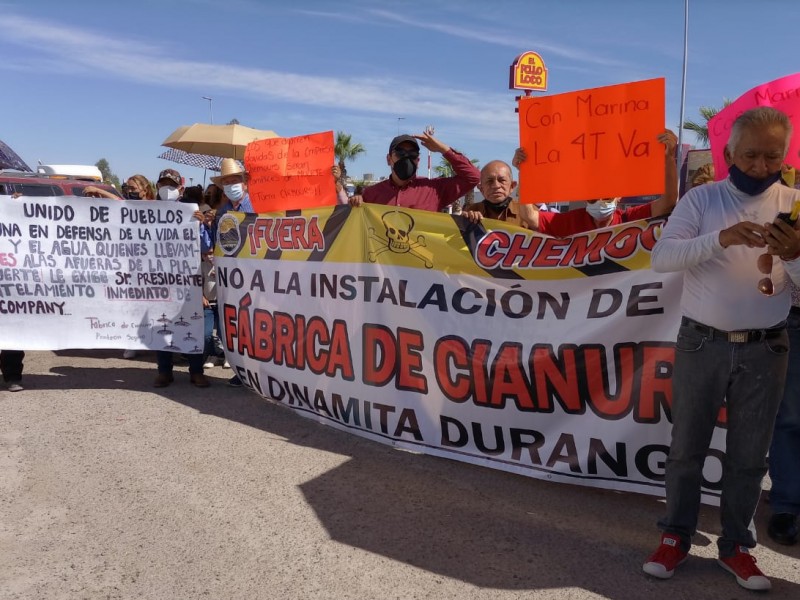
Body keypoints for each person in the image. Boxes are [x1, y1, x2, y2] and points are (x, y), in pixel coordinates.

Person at [643, 107, 800, 591]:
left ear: (785, 154)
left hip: (766, 348)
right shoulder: (701, 200)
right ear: (729, 152)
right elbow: (661, 259)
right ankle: (675, 537)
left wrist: (795, 255)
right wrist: (720, 239)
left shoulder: (795, 203)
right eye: (750, 154)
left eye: (772, 156)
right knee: (686, 448)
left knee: (750, 456)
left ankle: (736, 548)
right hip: (702, 341)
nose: (760, 166)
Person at [513, 129, 678, 236]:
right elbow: (529, 215)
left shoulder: (631, 219)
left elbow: (668, 202)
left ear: (619, 196)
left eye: (606, 197)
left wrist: (669, 158)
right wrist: (524, 172)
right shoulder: (571, 221)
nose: (600, 203)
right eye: (593, 198)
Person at [153, 166, 209, 388]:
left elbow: (205, 246)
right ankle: (164, 371)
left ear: (181, 188)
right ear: (157, 187)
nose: (168, 189)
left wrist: (201, 225)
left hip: (187, 281)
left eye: (172, 185)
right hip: (158, 280)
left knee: (192, 324)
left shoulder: (190, 211)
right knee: (160, 325)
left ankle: (196, 371)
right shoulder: (146, 213)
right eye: (164, 184)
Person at [349, 132, 480, 211]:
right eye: (400, 153)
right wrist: (355, 201)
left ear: (418, 161)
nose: (406, 158)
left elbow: (473, 177)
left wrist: (444, 150)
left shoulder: (435, 190)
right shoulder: (371, 194)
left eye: (412, 154)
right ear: (389, 159)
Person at [462, 160, 527, 227]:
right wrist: (463, 222)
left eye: (502, 180)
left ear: (512, 186)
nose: (496, 186)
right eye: (489, 181)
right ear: (481, 189)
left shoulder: (528, 213)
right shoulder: (471, 211)